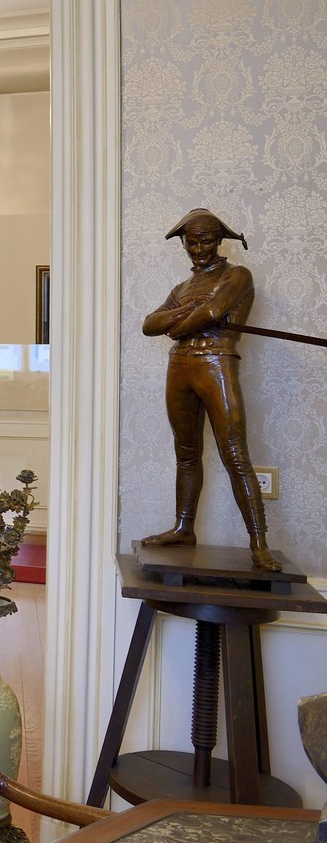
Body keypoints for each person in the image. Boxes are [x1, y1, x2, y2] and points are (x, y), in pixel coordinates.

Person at [141, 208, 280, 572]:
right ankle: (184, 528)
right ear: (184, 242)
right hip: (181, 367)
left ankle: (260, 545)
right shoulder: (182, 288)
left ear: (220, 241)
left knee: (234, 453)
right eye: (192, 240)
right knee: (186, 452)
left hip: (217, 363)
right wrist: (181, 314)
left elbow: (214, 311)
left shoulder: (236, 275)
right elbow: (148, 324)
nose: (199, 247)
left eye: (206, 239)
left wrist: (177, 322)